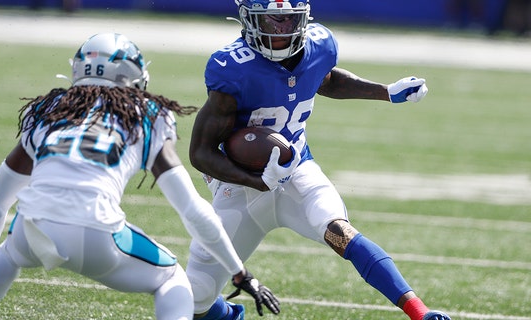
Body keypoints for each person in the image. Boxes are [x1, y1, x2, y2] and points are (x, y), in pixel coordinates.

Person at [0, 33, 280, 320]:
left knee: (6, 253)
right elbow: (193, 210)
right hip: (97, 232)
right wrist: (239, 272)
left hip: (32, 228)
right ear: (132, 77)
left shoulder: (49, 108)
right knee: (173, 279)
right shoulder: (145, 114)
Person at [185, 1, 452, 320]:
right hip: (239, 188)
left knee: (341, 232)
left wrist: (386, 92)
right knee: (196, 296)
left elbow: (326, 80)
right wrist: (257, 181)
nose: (283, 29)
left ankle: (419, 312)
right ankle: (228, 315)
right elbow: (200, 152)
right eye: (274, 20)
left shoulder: (319, 45)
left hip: (298, 171)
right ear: (250, 19)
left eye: (290, 19)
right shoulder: (232, 66)